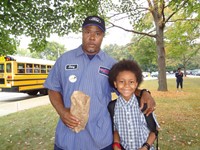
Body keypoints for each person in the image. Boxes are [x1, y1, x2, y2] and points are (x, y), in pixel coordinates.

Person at [44, 15, 156, 150]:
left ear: (103, 36)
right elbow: (52, 88)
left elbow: (125, 87)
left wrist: (144, 93)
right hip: (68, 137)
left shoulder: (111, 64)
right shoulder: (64, 60)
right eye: (88, 32)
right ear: (82, 33)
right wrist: (62, 112)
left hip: (100, 140)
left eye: (97, 33)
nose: (92, 38)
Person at [108, 59, 159, 150]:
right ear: (115, 84)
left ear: (136, 84)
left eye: (131, 82)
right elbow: (115, 129)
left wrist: (146, 147)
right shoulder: (112, 107)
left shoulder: (144, 105)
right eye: (121, 81)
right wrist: (116, 144)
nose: (126, 85)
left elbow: (154, 130)